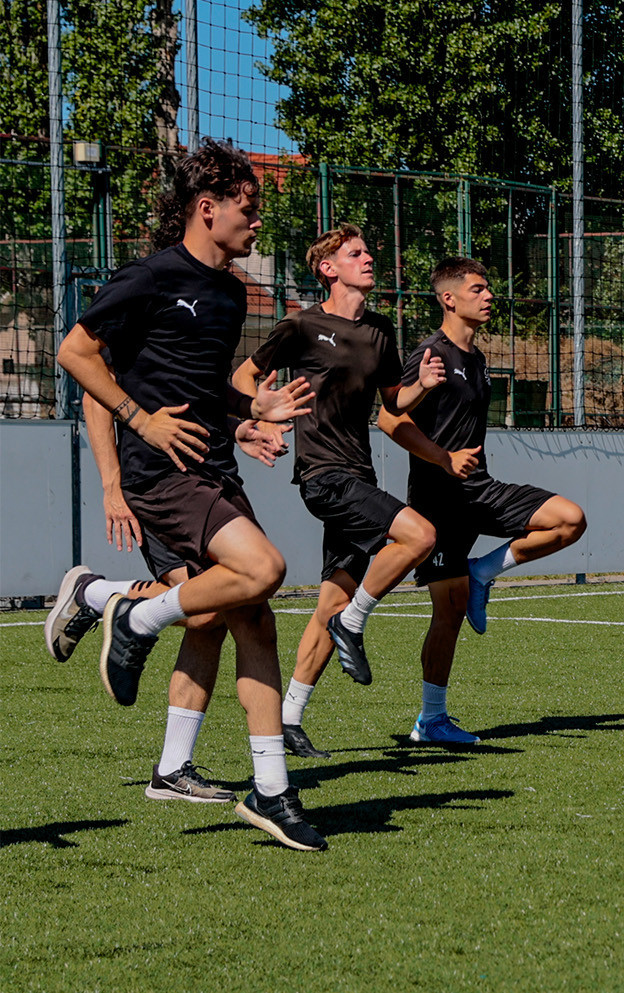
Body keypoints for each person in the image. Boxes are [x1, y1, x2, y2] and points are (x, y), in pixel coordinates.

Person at [53, 140, 327, 851]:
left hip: (210, 466)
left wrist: (245, 423)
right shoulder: (148, 277)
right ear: (207, 209)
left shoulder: (233, 291)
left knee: (253, 620)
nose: (256, 221)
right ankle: (134, 617)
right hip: (160, 470)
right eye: (248, 207)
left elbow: (205, 393)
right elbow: (74, 352)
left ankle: (270, 789)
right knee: (263, 569)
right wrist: (137, 428)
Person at [232, 224, 443, 757]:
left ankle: (288, 717)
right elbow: (242, 379)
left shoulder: (379, 329)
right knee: (421, 535)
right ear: (328, 269)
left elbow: (395, 402)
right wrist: (258, 421)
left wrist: (424, 386)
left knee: (335, 594)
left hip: (359, 476)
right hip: (323, 476)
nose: (368, 258)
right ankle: (353, 625)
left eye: (369, 251)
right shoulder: (300, 326)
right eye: (355, 254)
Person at [378, 258, 588, 743]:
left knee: (569, 520)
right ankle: (431, 720)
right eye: (478, 288)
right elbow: (389, 419)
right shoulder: (430, 352)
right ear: (449, 298)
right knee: (447, 612)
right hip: (437, 499)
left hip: (480, 489)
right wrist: (442, 457)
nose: (489, 294)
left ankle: (483, 571)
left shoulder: (476, 357)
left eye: (488, 285)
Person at [42, 396, 288, 803]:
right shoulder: (130, 335)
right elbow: (93, 388)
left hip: (213, 479)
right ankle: (98, 595)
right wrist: (111, 487)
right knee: (212, 608)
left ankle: (173, 769)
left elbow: (194, 399)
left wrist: (235, 426)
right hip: (163, 483)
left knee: (211, 617)